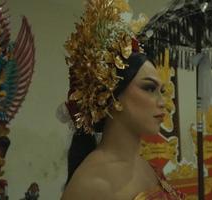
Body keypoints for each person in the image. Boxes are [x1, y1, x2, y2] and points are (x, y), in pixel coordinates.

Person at [58, 0, 185, 199]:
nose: (163, 103)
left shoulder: (144, 164)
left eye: (162, 91)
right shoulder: (91, 185)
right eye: (149, 88)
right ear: (113, 93)